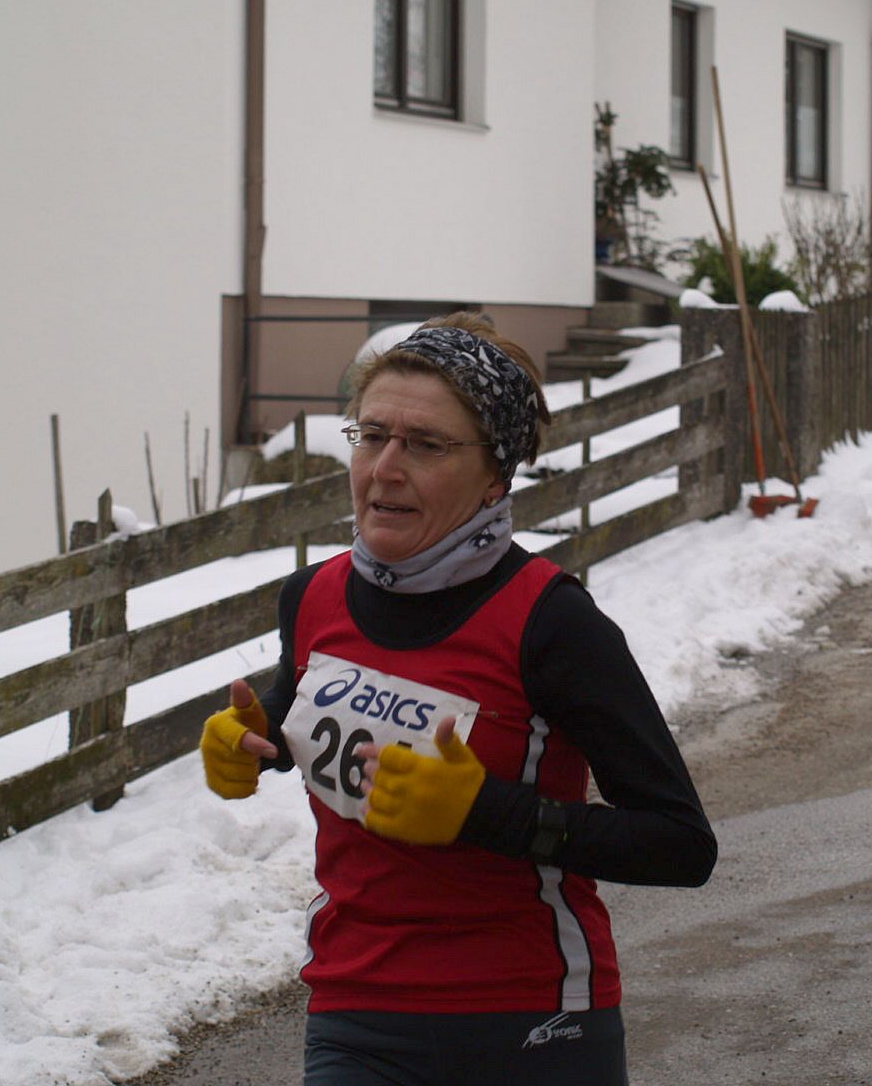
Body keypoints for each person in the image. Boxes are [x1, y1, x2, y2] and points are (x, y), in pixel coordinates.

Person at [200, 312, 717, 1086]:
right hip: (354, 1013)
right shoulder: (312, 597)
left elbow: (680, 845)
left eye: (426, 445)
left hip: (533, 1022)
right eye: (372, 436)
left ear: (495, 477)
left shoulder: (553, 623)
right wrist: (253, 741)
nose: (385, 469)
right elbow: (298, 704)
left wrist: (482, 812)